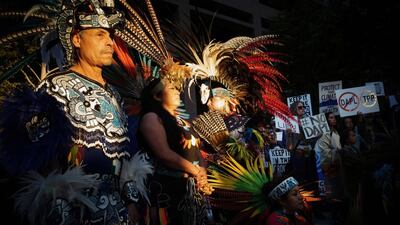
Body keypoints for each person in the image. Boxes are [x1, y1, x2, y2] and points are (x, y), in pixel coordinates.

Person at [0, 1, 152, 224]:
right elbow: (36, 161)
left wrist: (130, 200)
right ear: (77, 39)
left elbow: (125, 154)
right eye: (100, 34)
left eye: (111, 35)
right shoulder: (56, 88)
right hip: (73, 211)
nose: (110, 42)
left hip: (117, 211)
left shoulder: (115, 95)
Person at [138, 77, 212, 225]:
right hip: (169, 190)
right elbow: (164, 155)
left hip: (191, 189)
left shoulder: (182, 121)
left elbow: (195, 151)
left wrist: (203, 174)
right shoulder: (152, 118)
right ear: (157, 95)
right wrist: (196, 172)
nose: (178, 92)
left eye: (177, 89)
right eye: (172, 89)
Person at [285, 100, 317, 184]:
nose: (303, 109)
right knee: (301, 179)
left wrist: (317, 133)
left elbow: (313, 140)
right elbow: (289, 147)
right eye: (300, 107)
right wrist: (288, 135)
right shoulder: (289, 124)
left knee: (312, 178)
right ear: (294, 109)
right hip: (298, 157)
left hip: (309, 156)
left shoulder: (308, 121)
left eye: (303, 107)